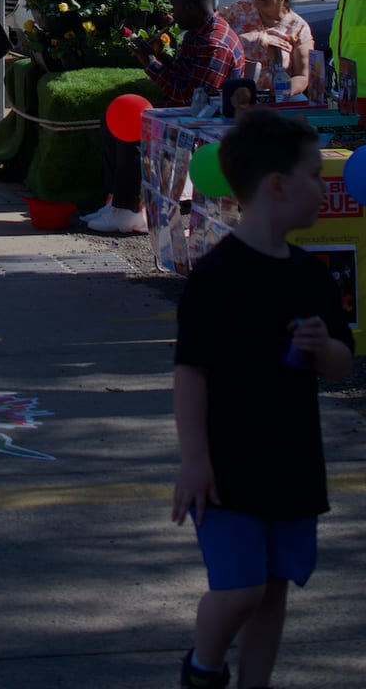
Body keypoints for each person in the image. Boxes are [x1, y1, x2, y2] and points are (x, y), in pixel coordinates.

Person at [172, 109, 352, 689]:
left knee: (273, 587)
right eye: (313, 175)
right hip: (227, 467)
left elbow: (342, 362)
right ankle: (203, 666)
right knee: (240, 589)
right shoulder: (217, 276)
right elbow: (191, 372)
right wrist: (194, 459)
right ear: (277, 186)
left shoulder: (311, 275)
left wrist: (325, 349)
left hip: (293, 463)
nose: (322, 187)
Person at [85, 0, 247, 236]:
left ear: (191, 8)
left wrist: (150, 63)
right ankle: (115, 201)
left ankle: (128, 210)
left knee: (134, 130)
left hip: (204, 123)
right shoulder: (197, 31)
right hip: (188, 112)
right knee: (112, 119)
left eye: (176, 8)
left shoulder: (215, 44)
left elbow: (189, 96)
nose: (173, 14)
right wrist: (159, 56)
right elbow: (182, 75)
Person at [221, 0, 314, 98]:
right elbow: (217, 38)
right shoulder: (239, 10)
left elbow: (302, 76)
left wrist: (284, 91)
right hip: (234, 94)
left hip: (274, 98)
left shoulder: (298, 27)